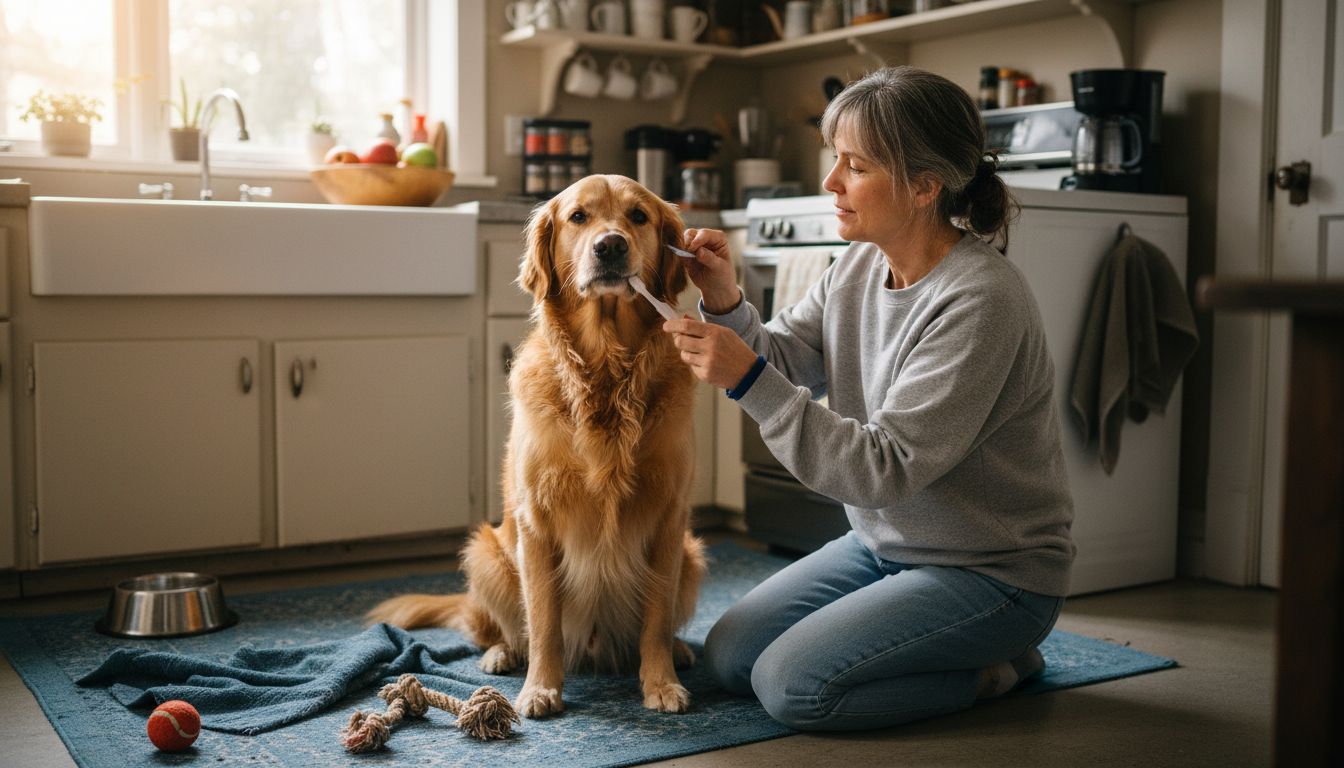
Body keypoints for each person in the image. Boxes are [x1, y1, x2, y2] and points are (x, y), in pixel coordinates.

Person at [662, 65, 1076, 731]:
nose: (830, 183)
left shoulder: (981, 300)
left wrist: (745, 380)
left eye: (852, 166)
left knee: (792, 687)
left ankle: (999, 667)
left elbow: (880, 470)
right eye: (836, 161)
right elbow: (784, 359)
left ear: (923, 185)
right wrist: (725, 301)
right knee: (729, 658)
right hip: (883, 547)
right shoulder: (856, 265)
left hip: (994, 573)